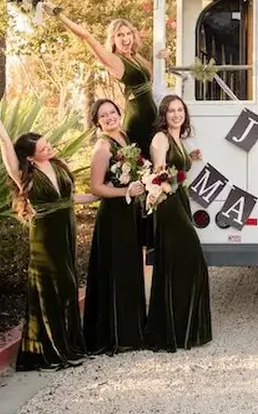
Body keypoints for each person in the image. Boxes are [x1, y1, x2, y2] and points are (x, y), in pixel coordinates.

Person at [0, 91, 98, 371]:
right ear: (30, 158)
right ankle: (51, 351)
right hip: (45, 237)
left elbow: (69, 199)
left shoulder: (58, 166)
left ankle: (69, 344)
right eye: (43, 148)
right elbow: (6, 143)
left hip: (66, 230)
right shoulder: (23, 175)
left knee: (68, 287)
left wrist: (106, 196)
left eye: (48, 144)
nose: (49, 148)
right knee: (53, 288)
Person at [55, 12, 165, 257]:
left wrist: (161, 59)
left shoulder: (135, 57)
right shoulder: (115, 61)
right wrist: (57, 13)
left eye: (128, 34)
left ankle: (153, 232)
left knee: (156, 173)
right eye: (119, 35)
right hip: (138, 122)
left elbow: (154, 74)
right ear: (113, 40)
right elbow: (85, 37)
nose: (125, 39)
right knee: (145, 174)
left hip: (152, 120)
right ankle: (147, 236)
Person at [145, 95, 212, 351]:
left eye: (180, 110)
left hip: (179, 199)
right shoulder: (161, 138)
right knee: (192, 260)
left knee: (180, 263)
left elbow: (176, 169)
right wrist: (164, 183)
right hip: (168, 204)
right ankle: (174, 330)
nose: (176, 114)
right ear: (164, 114)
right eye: (171, 111)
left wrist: (189, 156)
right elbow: (159, 173)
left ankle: (184, 328)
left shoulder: (178, 139)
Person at [83, 99, 148, 355]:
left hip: (130, 211)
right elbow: (96, 187)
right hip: (114, 215)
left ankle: (133, 329)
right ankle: (116, 335)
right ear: (97, 121)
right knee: (117, 270)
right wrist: (125, 191)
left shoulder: (124, 136)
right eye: (103, 115)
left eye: (112, 112)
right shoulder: (102, 146)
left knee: (132, 268)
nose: (109, 117)